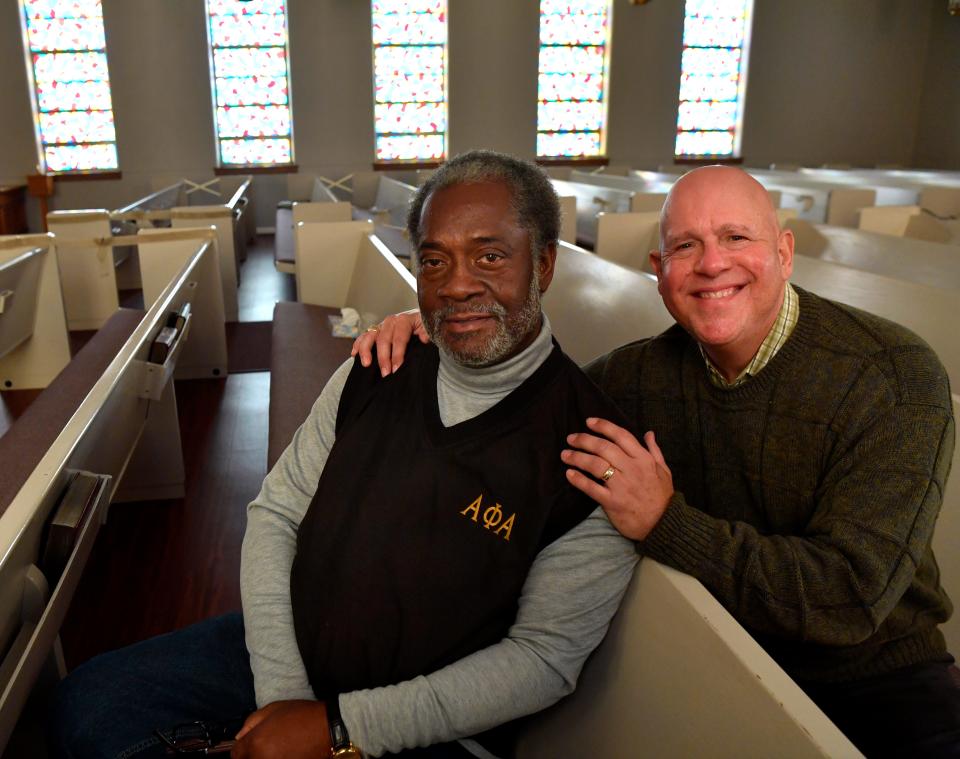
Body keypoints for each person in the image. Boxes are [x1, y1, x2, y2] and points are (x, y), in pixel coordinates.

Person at [354, 165, 960, 757]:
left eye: (736, 237)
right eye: (684, 246)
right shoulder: (638, 375)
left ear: (784, 252)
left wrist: (666, 521)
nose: (712, 264)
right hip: (705, 648)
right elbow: (525, 413)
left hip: (878, 677)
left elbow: (848, 599)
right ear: (659, 271)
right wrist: (443, 331)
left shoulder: (893, 376)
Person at [51, 151, 637, 759]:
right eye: (434, 261)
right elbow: (275, 513)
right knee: (89, 705)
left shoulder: (591, 450)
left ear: (542, 263)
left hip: (429, 721)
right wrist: (285, 697)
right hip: (298, 652)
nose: (457, 284)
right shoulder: (376, 368)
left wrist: (335, 729)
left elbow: (542, 660)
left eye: (490, 256)